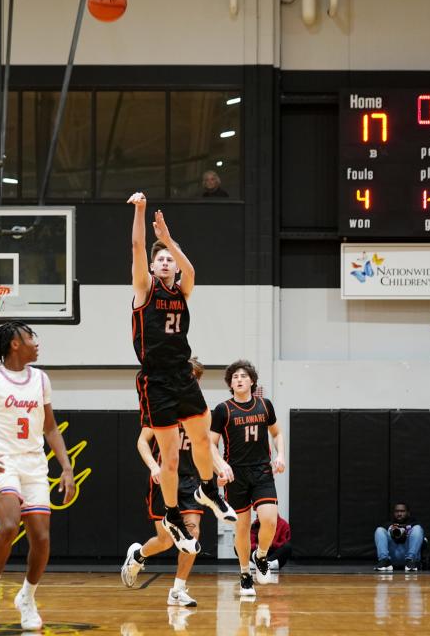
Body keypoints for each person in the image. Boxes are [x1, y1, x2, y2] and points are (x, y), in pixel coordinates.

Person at [128, 191, 236, 556]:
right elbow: (137, 247)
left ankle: (208, 488)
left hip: (182, 375)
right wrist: (141, 211)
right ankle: (172, 513)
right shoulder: (144, 290)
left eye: (168, 259)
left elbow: (191, 271)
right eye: (159, 259)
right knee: (170, 457)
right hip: (155, 379)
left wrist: (171, 240)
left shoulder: (182, 288)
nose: (163, 262)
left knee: (203, 438)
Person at [0, 321, 76, 630]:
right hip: (4, 462)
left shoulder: (41, 379)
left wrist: (66, 468)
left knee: (42, 538)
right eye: (30, 338)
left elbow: (51, 427)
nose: (36, 343)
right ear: (15, 344)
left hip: (35, 465)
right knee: (9, 525)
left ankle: (26, 597)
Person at [121, 357, 208, 608]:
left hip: (191, 481)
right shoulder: (162, 405)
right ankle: (138, 556)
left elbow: (206, 447)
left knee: (192, 533)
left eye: (192, 375)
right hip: (166, 480)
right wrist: (153, 466)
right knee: (166, 540)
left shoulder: (199, 411)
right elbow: (141, 442)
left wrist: (217, 470)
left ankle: (177, 590)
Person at [210, 359, 286, 598]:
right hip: (236, 474)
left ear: (252, 381)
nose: (239, 379)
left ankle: (261, 555)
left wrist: (281, 455)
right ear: (230, 384)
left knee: (270, 520)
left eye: (243, 376)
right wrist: (220, 466)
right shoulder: (223, 409)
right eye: (234, 377)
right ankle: (245, 574)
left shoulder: (265, 405)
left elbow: (277, 433)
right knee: (241, 527)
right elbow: (210, 445)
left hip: (262, 471)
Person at [374, 503, 425, 571]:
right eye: (397, 511)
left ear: (408, 513)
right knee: (379, 530)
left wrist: (406, 533)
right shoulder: (387, 525)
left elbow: (424, 542)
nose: (399, 514)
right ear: (394, 513)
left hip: (410, 557)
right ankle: (384, 561)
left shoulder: (414, 524)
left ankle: (411, 560)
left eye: (402, 511)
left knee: (418, 528)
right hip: (392, 557)